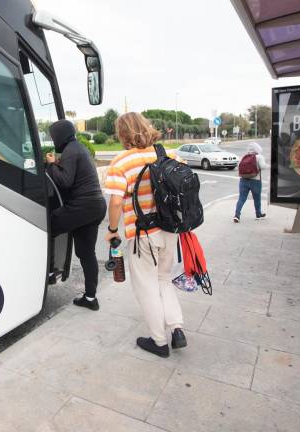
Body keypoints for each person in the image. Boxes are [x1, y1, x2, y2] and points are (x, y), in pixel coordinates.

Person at [103, 112, 186, 358]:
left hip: (143, 234)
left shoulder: (121, 162)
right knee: (163, 278)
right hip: (170, 230)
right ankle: (177, 328)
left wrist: (111, 230)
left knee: (146, 286)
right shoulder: (168, 154)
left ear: (123, 134)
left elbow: (116, 202)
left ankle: (159, 341)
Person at [45, 120, 106, 311]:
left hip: (82, 207)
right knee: (86, 253)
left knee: (46, 228)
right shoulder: (79, 148)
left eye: (53, 136)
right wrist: (57, 163)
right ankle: (90, 298)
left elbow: (65, 181)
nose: (53, 139)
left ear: (59, 136)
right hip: (96, 206)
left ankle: (49, 271)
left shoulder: (71, 150)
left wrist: (50, 164)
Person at [233, 142, 269, 223]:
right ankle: (258, 214)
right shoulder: (259, 157)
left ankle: (237, 215)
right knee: (257, 198)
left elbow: (239, 167)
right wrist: (270, 166)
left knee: (241, 198)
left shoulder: (244, 157)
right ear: (257, 149)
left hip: (243, 180)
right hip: (255, 181)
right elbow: (263, 166)